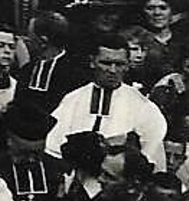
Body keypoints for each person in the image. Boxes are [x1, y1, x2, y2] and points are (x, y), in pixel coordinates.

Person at [45, 36, 170, 170]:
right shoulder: (73, 100)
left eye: (119, 64)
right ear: (92, 62)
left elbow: (151, 151)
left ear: (127, 65)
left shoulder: (142, 106)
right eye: (105, 63)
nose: (112, 70)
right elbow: (53, 145)